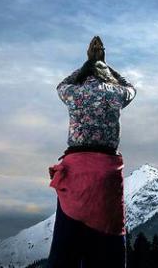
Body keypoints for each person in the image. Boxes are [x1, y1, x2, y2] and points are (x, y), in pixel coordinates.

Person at [47, 36, 136, 268]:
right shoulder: (116, 93)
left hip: (76, 174)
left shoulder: (74, 94)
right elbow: (130, 88)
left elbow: (62, 85)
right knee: (107, 250)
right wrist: (105, 65)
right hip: (106, 176)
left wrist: (88, 63)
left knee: (65, 248)